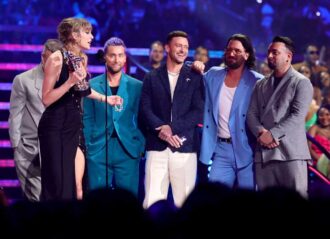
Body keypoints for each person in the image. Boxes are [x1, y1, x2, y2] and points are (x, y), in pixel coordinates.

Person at [38, 17, 119, 201]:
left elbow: (82, 89)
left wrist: (106, 98)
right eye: (87, 32)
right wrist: (69, 82)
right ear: (75, 35)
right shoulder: (57, 59)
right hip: (55, 126)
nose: (91, 36)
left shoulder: (81, 58)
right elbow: (46, 98)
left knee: (71, 182)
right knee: (57, 183)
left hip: (72, 125)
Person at [139, 30, 205, 208]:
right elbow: (145, 109)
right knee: (152, 201)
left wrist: (172, 128)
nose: (182, 50)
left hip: (184, 147)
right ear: (167, 47)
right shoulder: (151, 76)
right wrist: (162, 130)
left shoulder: (195, 76)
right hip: (156, 147)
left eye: (186, 47)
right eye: (178, 46)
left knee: (185, 203)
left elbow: (198, 111)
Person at [247, 36, 313, 198]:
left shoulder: (301, 82)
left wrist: (272, 134)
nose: (269, 56)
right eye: (269, 52)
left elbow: (297, 116)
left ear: (288, 56)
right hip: (264, 153)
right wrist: (261, 133)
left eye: (274, 52)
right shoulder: (261, 84)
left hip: (290, 153)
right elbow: (251, 114)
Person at [198, 34, 263, 189]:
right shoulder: (213, 74)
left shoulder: (257, 81)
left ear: (247, 55)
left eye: (237, 50)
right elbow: (191, 76)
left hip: (248, 150)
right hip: (220, 149)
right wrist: (194, 65)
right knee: (215, 198)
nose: (231, 53)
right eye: (228, 50)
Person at [83, 37, 145, 196]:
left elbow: (142, 119)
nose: (116, 59)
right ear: (105, 57)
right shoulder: (91, 86)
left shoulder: (136, 86)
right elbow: (87, 118)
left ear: (125, 58)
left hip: (128, 149)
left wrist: (139, 146)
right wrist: (89, 146)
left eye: (120, 55)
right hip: (98, 148)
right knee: (97, 204)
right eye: (112, 55)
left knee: (128, 203)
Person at [8, 39, 63, 201]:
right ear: (43, 57)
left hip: (60, 152)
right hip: (30, 151)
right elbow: (15, 116)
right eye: (49, 59)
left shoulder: (67, 81)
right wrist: (17, 147)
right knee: (37, 202)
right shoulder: (23, 80)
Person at [307, 104, 330, 178]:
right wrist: (320, 161)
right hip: (315, 162)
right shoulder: (315, 128)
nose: (324, 118)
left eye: (327, 114)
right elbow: (308, 147)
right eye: (321, 115)